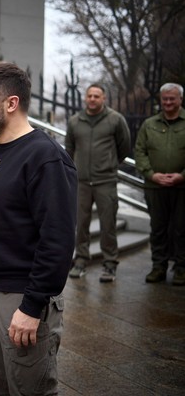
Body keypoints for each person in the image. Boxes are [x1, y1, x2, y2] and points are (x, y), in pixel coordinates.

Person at [0, 62, 77, 395]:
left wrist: (31, 306)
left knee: (30, 390)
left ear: (11, 103)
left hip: (25, 299)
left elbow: (57, 241)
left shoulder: (46, 157)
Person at [65, 84, 131, 282]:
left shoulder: (115, 119)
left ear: (104, 99)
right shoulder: (75, 121)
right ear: (86, 98)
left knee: (108, 224)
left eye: (97, 96)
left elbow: (124, 147)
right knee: (81, 224)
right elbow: (69, 150)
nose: (92, 99)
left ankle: (110, 264)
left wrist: (108, 165)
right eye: (90, 96)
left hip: (106, 181)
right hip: (82, 183)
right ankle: (81, 261)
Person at [134, 82, 185, 285]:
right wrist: (151, 174)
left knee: (182, 229)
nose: (168, 102)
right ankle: (159, 266)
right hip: (155, 187)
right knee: (158, 228)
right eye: (165, 99)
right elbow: (139, 151)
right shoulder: (149, 124)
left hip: (182, 187)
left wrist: (182, 176)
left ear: (180, 99)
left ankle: (181, 268)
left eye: (172, 98)